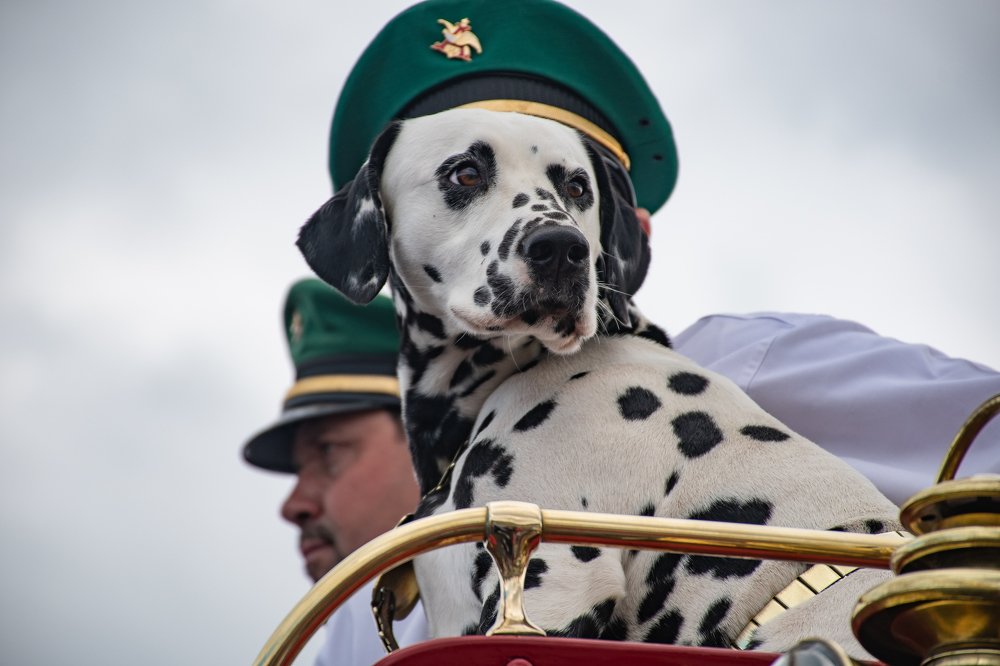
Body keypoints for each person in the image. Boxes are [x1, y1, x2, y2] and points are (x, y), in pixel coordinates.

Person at [301, 0, 1000, 662]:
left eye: (573, 194)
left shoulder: (737, 366)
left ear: (621, 244)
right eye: (466, 175)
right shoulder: (378, 601)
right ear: (378, 223)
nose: (552, 233)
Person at [242, 278, 423, 660]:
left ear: (429, 443)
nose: (293, 506)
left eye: (328, 451)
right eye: (299, 468)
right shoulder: (353, 630)